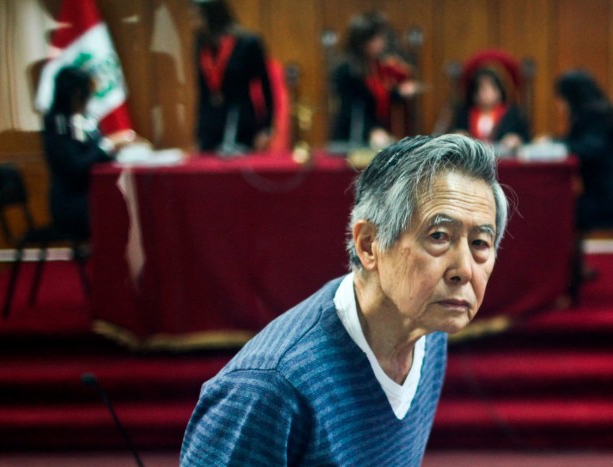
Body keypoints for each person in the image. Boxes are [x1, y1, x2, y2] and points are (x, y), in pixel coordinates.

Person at [180, 134, 509, 465]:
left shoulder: (428, 331)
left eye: (481, 242)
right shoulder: (268, 390)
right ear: (369, 245)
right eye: (438, 237)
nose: (464, 270)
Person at [41, 66, 127, 238]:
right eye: (86, 94)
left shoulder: (85, 120)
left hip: (92, 195)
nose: (89, 99)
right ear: (74, 95)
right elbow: (75, 168)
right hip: (73, 202)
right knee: (123, 214)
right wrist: (107, 145)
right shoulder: (58, 126)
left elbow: (98, 154)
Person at [554, 69, 613, 230]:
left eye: (561, 98)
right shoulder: (595, 113)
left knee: (557, 209)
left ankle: (562, 255)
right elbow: (576, 142)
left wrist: (556, 147)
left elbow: (590, 149)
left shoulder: (593, 116)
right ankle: (568, 255)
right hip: (608, 193)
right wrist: (555, 142)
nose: (560, 104)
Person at [329, 11, 420, 150]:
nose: (382, 42)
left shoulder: (376, 65)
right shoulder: (346, 70)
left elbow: (379, 97)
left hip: (376, 134)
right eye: (377, 38)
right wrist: (372, 130)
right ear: (362, 41)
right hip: (352, 137)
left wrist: (399, 93)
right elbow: (352, 107)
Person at [193, 0, 274, 153]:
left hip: (241, 119)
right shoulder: (201, 44)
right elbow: (203, 92)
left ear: (212, 15)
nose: (194, 23)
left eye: (197, 17)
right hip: (211, 123)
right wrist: (199, 133)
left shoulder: (248, 43)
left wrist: (266, 128)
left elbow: (265, 87)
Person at [451, 61, 530, 154]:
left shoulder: (513, 113)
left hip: (504, 161)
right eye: (480, 88)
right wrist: (457, 136)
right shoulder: (464, 113)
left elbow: (526, 139)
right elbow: (455, 135)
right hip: (472, 162)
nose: (484, 93)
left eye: (490, 88)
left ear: (499, 90)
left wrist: (516, 140)